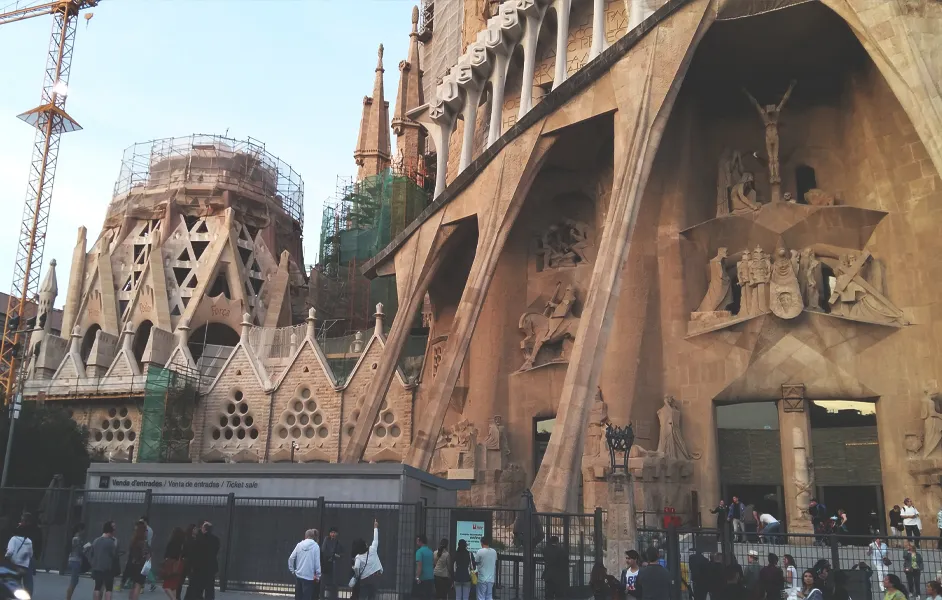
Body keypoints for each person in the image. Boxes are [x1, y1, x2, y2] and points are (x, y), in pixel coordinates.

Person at [185, 521, 220, 600]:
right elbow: (216, 551)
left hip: (200, 567)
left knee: (198, 588)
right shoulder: (216, 539)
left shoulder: (199, 539)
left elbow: (195, 553)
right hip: (211, 567)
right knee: (210, 588)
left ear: (204, 529)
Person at [350, 520, 383, 600]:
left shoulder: (358, 557)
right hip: (376, 577)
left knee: (363, 596)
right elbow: (375, 539)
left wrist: (357, 575)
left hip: (364, 579)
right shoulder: (372, 549)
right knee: (373, 596)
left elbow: (357, 567)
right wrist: (375, 527)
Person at [288, 529, 321, 600]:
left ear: (305, 536)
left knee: (298, 597)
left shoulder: (299, 545)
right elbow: (317, 562)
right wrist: (318, 575)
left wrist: (292, 570)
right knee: (307, 597)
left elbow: (291, 558)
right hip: (309, 576)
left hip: (299, 575)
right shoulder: (316, 546)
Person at [90, 521, 119, 600]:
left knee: (97, 587)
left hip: (97, 567)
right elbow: (114, 555)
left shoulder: (96, 540)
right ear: (111, 530)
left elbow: (92, 554)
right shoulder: (111, 542)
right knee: (108, 589)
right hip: (108, 568)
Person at [5, 517, 34, 594]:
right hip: (25, 566)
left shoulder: (13, 539)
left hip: (15, 565)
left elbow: (10, 551)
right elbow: (30, 554)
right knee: (27, 583)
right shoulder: (29, 541)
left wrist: (6, 557)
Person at [125, 520, 151, 600]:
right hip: (141, 566)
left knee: (133, 586)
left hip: (133, 566)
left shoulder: (133, 542)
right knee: (138, 586)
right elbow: (147, 555)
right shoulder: (144, 543)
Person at [162, 527, 186, 600]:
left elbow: (166, 555)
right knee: (173, 587)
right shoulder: (182, 544)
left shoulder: (171, 543)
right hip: (179, 565)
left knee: (166, 586)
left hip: (171, 565)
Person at [320, 527, 343, 600]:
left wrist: (337, 556)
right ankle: (322, 597)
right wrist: (331, 555)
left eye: (334, 532)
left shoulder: (338, 542)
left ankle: (333, 597)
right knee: (323, 582)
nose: (333, 534)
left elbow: (341, 553)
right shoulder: (326, 539)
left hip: (334, 565)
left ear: (337, 534)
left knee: (334, 582)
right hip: (326, 565)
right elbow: (323, 550)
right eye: (331, 532)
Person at [66, 522, 86, 600]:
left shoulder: (74, 538)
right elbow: (79, 551)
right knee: (73, 581)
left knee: (74, 581)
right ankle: (68, 598)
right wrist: (86, 548)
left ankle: (69, 598)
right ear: (80, 529)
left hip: (73, 559)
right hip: (76, 560)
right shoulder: (77, 539)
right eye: (83, 530)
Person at [178, 524, 198, 600]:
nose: (196, 530)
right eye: (195, 528)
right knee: (187, 581)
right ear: (192, 530)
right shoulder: (190, 540)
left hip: (187, 561)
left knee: (186, 581)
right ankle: (182, 597)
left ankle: (181, 597)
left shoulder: (190, 539)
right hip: (188, 562)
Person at [414, 534, 435, 599]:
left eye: (417, 541)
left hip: (423, 578)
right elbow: (433, 564)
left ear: (420, 541)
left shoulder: (419, 552)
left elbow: (419, 566)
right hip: (431, 577)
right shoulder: (431, 551)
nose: (416, 542)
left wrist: (417, 577)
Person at [141, 516, 157, 592]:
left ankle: (151, 582)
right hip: (148, 548)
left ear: (145, 521)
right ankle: (151, 582)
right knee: (146, 566)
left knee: (145, 566)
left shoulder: (146, 529)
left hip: (145, 548)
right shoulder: (150, 529)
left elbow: (145, 540)